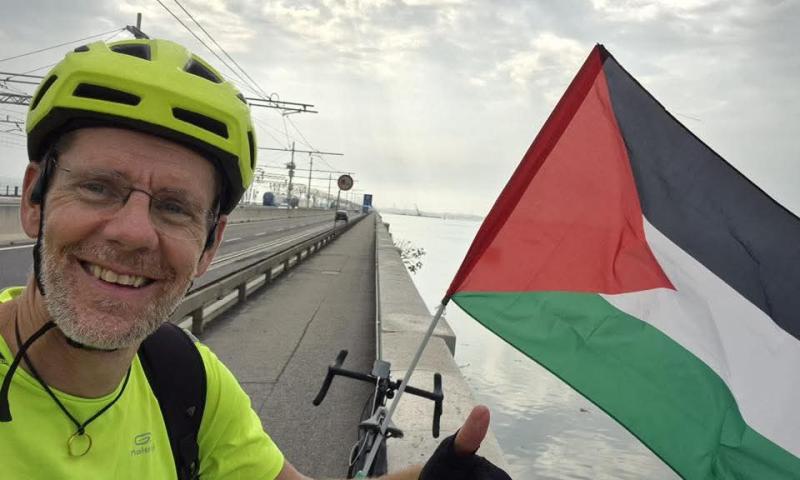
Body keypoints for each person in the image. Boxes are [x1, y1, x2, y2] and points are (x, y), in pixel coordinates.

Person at [0, 38, 510, 479]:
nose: (134, 232)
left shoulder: (183, 377)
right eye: (97, 187)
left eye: (175, 208)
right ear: (33, 200)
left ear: (210, 244)